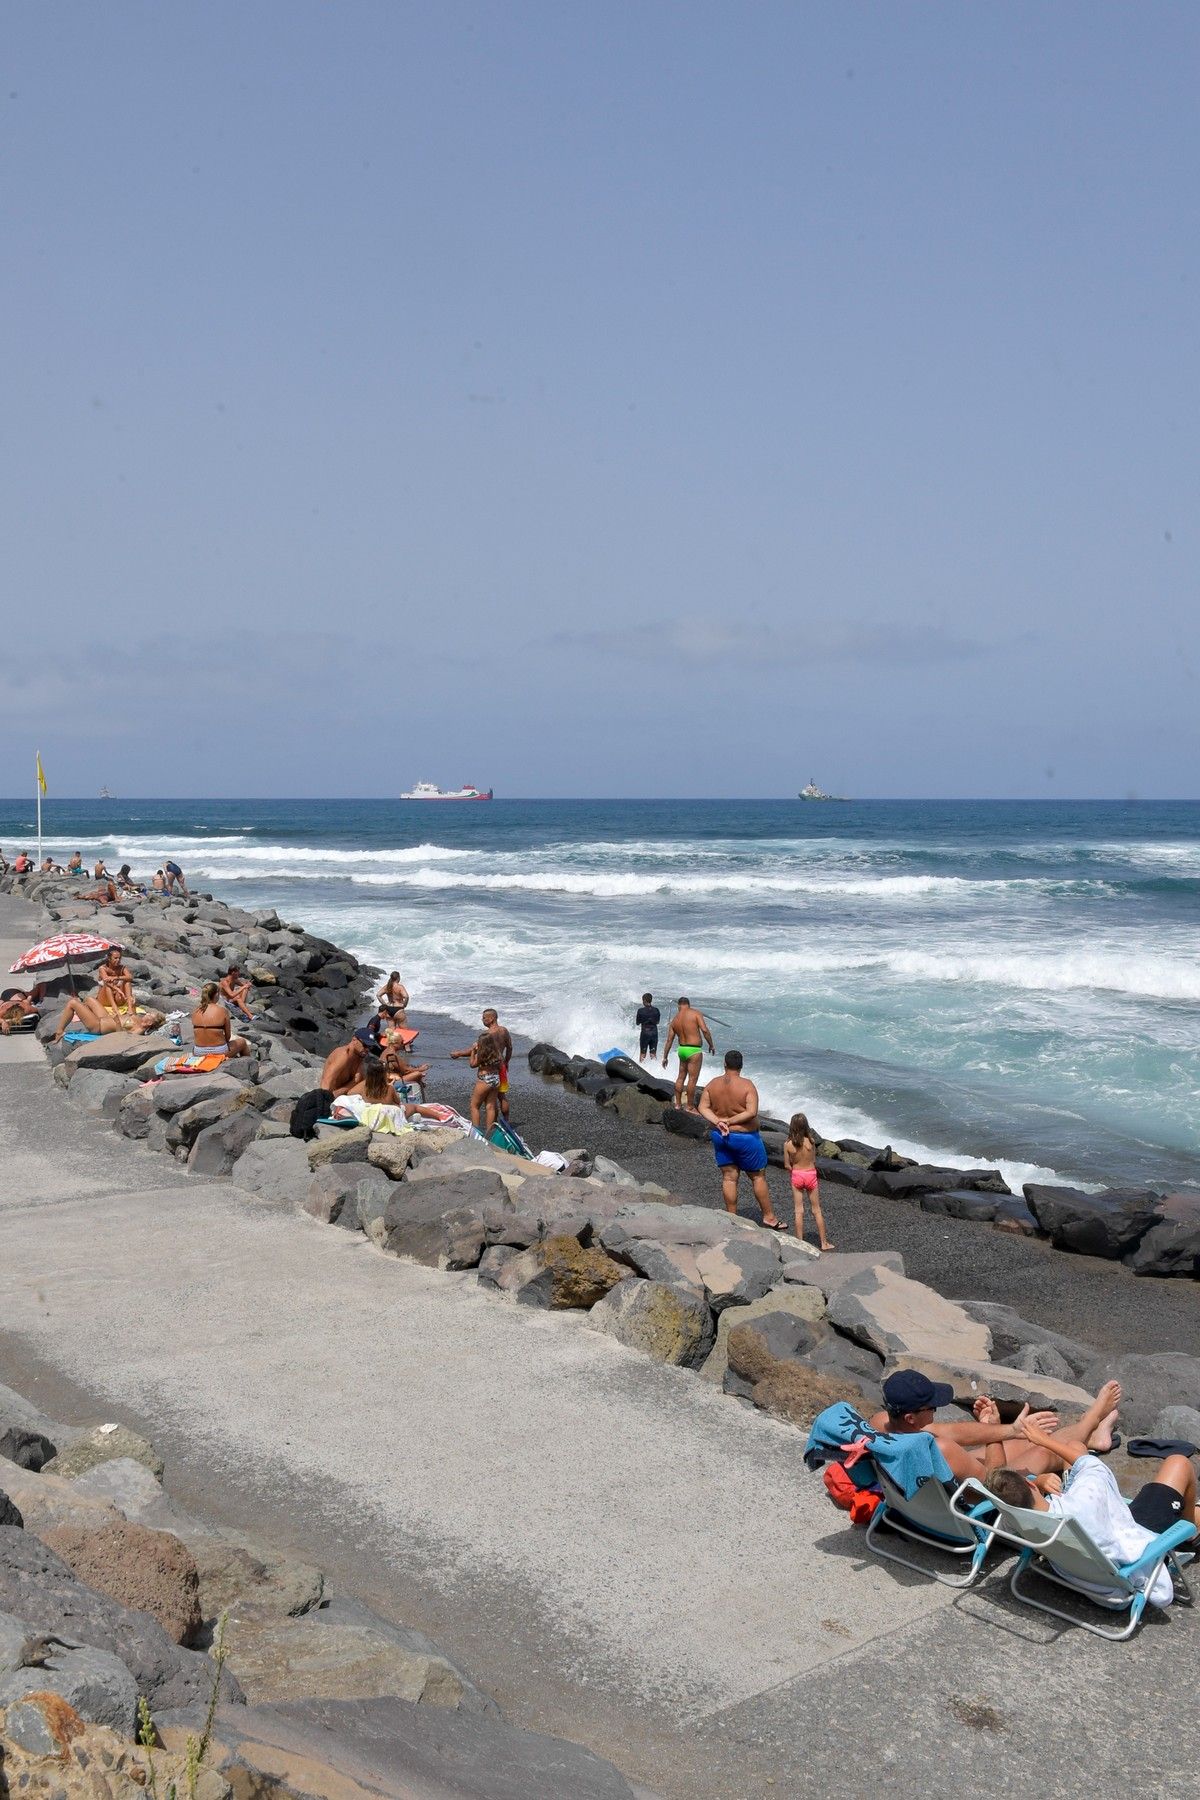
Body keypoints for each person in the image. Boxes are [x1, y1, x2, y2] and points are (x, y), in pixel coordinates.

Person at [986, 1414, 1199, 1611]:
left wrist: (1039, 1481)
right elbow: (1090, 1464)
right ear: (1030, 1487)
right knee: (1178, 1462)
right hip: (1136, 1557)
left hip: (1087, 1564)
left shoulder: (1014, 1520)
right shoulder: (1086, 1498)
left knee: (1075, 1446)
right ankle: (1189, 1532)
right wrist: (1044, 1440)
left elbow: (1001, 1484)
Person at [870, 1370, 1123, 1484]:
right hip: (979, 1507)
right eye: (931, 1408)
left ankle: (1094, 1437)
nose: (936, 1411)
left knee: (1022, 1441)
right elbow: (995, 1481)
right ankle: (1092, 1418)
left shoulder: (880, 1423)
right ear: (912, 1418)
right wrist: (993, 1431)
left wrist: (1010, 1430)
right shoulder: (942, 1449)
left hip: (926, 1500)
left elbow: (951, 1432)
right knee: (1043, 1450)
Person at [697, 1049, 784, 1230]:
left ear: (725, 1064)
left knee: (729, 1178)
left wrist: (718, 1121)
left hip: (721, 1136)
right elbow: (751, 1112)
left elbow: (702, 1107)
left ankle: (732, 1216)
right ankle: (768, 1217)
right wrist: (729, 1121)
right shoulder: (747, 1085)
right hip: (746, 1138)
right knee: (758, 1177)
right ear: (741, 1066)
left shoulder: (713, 1084)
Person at [452, 1009, 514, 1118]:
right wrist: (507, 1062)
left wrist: (459, 1053)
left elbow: (476, 1050)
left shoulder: (487, 1035)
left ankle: (494, 1123)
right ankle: (506, 1122)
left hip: (490, 1068)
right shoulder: (504, 1030)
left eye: (484, 1018)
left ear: (492, 1018)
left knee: (490, 1101)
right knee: (502, 1096)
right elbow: (509, 1048)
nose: (482, 1020)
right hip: (501, 1064)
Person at [784, 1112, 832, 1251]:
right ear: (806, 1126)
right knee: (816, 1210)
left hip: (797, 1175)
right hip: (810, 1174)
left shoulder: (788, 1144)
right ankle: (824, 1243)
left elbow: (787, 1165)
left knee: (799, 1211)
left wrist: (793, 1169)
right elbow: (814, 1160)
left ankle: (799, 1243)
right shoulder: (811, 1142)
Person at [662, 997, 714, 1109]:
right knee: (692, 1079)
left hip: (682, 1050)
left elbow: (669, 1041)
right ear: (688, 1004)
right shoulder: (695, 1013)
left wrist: (665, 1057)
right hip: (694, 1050)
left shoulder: (675, 1020)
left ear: (679, 1005)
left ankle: (677, 1104)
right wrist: (711, 1045)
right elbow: (705, 1030)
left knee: (680, 1077)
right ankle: (690, 1106)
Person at [51, 996, 165, 1041]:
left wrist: (116, 1022)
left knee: (72, 1003)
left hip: (98, 1026)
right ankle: (84, 1013)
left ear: (150, 1023)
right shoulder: (140, 1019)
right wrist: (131, 1003)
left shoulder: (139, 1030)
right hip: (105, 1018)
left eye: (150, 1016)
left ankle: (59, 1031)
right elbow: (131, 1014)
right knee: (89, 999)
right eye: (148, 1013)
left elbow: (121, 1037)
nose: (147, 1014)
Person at [191, 982, 250, 1060]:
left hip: (198, 1052)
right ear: (216, 994)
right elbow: (228, 1037)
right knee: (242, 1042)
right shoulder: (222, 1010)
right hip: (218, 1052)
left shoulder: (196, 1011)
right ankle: (248, 1064)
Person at [468, 1030, 503, 1135]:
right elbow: (500, 1065)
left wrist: (473, 1051)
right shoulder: (497, 1054)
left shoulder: (481, 1054)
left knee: (474, 1106)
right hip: (496, 1079)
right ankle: (489, 1132)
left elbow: (472, 1064)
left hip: (484, 1079)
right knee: (490, 1106)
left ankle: (476, 1132)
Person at [320, 1032, 370, 1097]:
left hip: (339, 1094)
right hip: (331, 1094)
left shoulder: (359, 1057)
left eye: (370, 1047)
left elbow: (357, 1080)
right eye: (365, 1045)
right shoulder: (343, 1055)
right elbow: (327, 1081)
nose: (367, 1049)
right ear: (354, 1040)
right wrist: (324, 1099)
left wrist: (339, 1093)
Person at [96, 947, 136, 1018]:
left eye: (119, 958)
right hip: (105, 999)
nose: (118, 960)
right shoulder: (103, 969)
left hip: (118, 998)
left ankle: (129, 1008)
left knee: (127, 982)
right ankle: (114, 1008)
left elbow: (130, 977)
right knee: (107, 985)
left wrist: (115, 977)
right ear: (109, 959)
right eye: (115, 958)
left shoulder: (122, 968)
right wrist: (118, 990)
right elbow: (106, 981)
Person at [635, 992, 660, 1064]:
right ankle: (655, 1069)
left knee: (643, 1053)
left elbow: (637, 1023)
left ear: (644, 1000)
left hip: (645, 1034)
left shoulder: (640, 1011)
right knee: (653, 1053)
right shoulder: (656, 1010)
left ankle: (641, 1068)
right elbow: (657, 1022)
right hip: (654, 1034)